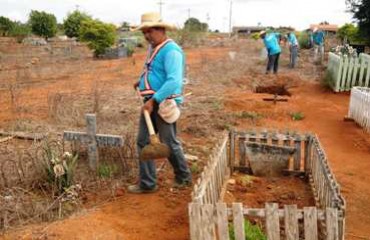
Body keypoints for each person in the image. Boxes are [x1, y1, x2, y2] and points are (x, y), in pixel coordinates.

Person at [128, 12, 191, 194]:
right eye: (144, 32)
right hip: (150, 102)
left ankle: (184, 177)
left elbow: (173, 81)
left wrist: (154, 100)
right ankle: (147, 184)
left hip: (163, 103)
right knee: (143, 141)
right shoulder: (154, 47)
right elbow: (153, 70)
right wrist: (140, 82)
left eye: (150, 31)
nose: (147, 36)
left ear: (161, 29)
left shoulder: (171, 51)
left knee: (168, 142)